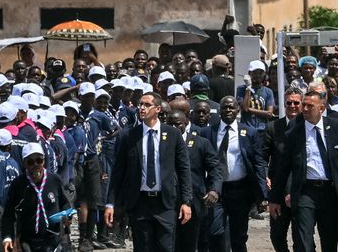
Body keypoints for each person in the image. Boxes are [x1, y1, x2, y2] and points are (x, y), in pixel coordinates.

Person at [104, 93, 192, 252]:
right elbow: (118, 172)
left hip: (165, 203)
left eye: (146, 105)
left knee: (166, 247)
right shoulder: (128, 135)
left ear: (158, 109)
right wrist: (111, 203)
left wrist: (186, 201)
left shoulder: (173, 135)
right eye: (140, 104)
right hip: (140, 203)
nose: (142, 108)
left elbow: (184, 169)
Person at [281, 90, 338, 252]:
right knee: (304, 241)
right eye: (304, 105)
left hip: (330, 191)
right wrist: (275, 197)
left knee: (329, 241)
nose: (305, 109)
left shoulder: (337, 125)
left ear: (321, 108)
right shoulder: (294, 131)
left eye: (310, 106)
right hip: (305, 191)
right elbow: (283, 166)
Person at [209, 95, 267, 252]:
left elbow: (259, 163)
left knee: (238, 236)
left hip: (240, 190)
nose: (228, 110)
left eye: (231, 107)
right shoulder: (208, 132)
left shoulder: (249, 132)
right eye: (224, 107)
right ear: (219, 111)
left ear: (238, 110)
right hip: (217, 192)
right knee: (216, 233)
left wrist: (262, 195)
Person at [167, 110, 220, 252]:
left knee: (194, 243)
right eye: (170, 124)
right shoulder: (161, 143)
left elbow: (215, 168)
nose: (174, 128)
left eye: (177, 124)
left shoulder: (200, 143)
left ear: (186, 123)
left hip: (195, 202)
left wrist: (214, 189)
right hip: (167, 202)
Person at [2, 143, 70, 252]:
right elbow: (8, 215)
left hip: (53, 240)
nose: (36, 165)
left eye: (39, 160)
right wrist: (7, 237)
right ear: (24, 163)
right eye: (30, 162)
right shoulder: (18, 184)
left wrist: (67, 215)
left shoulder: (55, 180)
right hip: (28, 242)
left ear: (44, 160)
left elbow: (65, 203)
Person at [265, 88, 304, 252]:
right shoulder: (273, 127)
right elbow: (262, 156)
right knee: (277, 235)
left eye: (297, 102)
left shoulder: (308, 127)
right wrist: (264, 176)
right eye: (289, 103)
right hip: (279, 191)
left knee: (301, 237)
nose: (293, 106)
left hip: (301, 191)